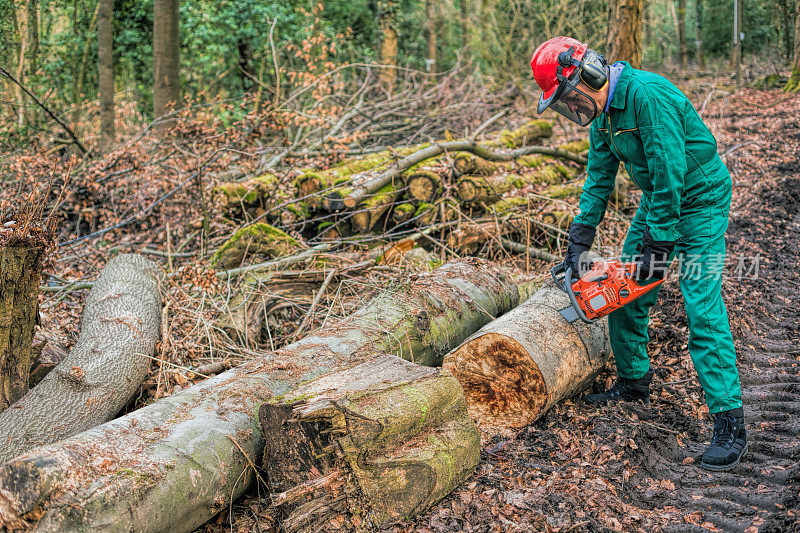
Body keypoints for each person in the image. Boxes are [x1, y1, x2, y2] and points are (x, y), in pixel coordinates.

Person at [530, 36, 746, 471]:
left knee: (701, 306)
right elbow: (598, 180)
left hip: (699, 199)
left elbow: (670, 173)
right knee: (622, 289)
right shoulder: (604, 119)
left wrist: (660, 245)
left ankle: (729, 421)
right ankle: (633, 382)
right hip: (658, 202)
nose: (571, 108)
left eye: (569, 98)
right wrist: (580, 238)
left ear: (588, 74)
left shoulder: (647, 96)